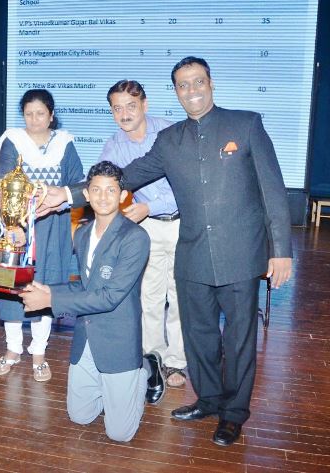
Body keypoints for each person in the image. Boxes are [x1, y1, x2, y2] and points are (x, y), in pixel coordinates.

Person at [37, 57, 293, 447]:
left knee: (239, 339)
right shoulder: (170, 140)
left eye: (198, 82)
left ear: (210, 83)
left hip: (241, 254)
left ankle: (234, 413)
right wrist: (68, 195)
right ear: (176, 92)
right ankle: (207, 399)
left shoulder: (246, 124)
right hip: (191, 254)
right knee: (198, 334)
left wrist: (282, 251)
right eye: (183, 85)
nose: (192, 90)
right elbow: (128, 176)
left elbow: (273, 191)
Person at [20, 161, 162, 442]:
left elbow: (109, 296)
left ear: (123, 196)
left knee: (120, 434)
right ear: (86, 194)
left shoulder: (136, 237)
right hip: (87, 335)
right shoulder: (82, 233)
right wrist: (47, 288)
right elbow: (85, 286)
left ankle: (145, 369)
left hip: (118, 337)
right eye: (96, 189)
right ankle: (108, 383)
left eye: (111, 190)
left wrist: (50, 299)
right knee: (80, 416)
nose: (103, 196)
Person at [0, 89, 83, 382]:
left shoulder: (65, 143)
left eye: (40, 113)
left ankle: (39, 351)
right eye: (29, 114)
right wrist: (14, 225)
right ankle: (13, 349)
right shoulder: (12, 141)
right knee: (13, 289)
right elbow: (6, 187)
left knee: (45, 286)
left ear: (51, 115)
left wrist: (56, 199)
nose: (34, 119)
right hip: (17, 229)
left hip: (53, 228)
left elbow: (78, 185)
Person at [99, 80, 187, 390]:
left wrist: (148, 205)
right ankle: (155, 359)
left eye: (130, 106)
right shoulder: (113, 145)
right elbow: (108, 185)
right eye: (117, 108)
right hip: (145, 228)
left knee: (179, 296)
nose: (124, 114)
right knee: (149, 296)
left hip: (182, 224)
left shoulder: (171, 133)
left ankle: (178, 362)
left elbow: (187, 185)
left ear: (145, 105)